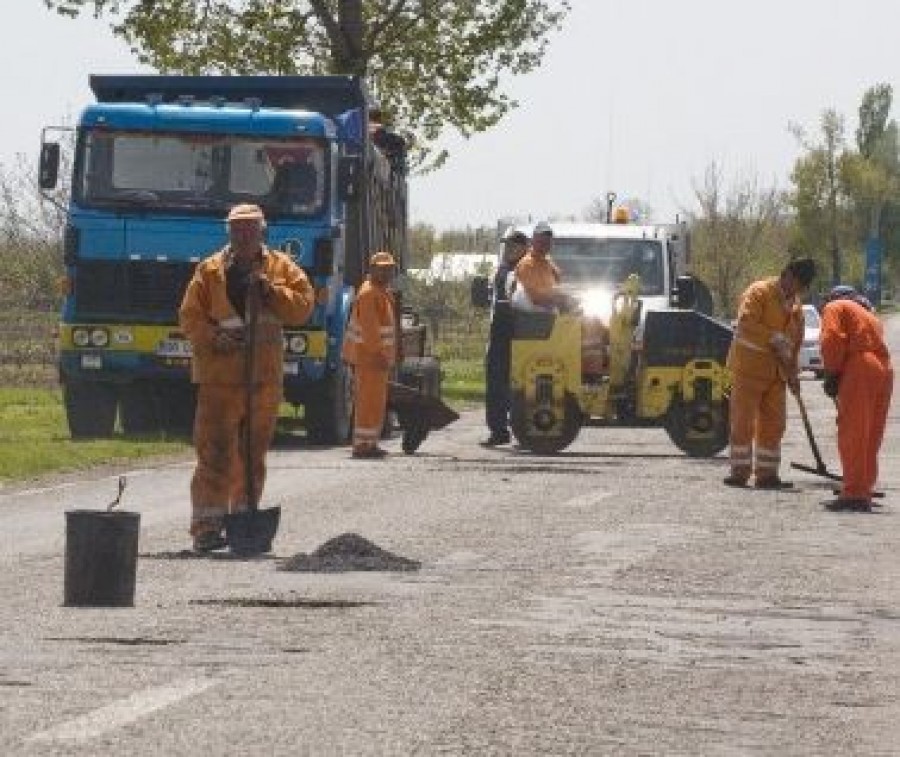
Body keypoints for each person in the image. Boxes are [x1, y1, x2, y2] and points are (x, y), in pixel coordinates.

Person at [179, 204, 315, 552]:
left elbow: (303, 306)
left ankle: (243, 518)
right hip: (219, 381)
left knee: (252, 455)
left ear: (261, 232)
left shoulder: (281, 268)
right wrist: (214, 338)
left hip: (263, 381)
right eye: (236, 229)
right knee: (214, 453)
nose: (243, 235)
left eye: (249, 229)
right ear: (229, 233)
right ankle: (208, 525)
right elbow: (190, 319)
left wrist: (272, 292)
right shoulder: (209, 271)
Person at [724, 257, 817, 489]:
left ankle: (767, 474)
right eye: (797, 284)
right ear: (787, 275)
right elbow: (746, 324)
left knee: (774, 424)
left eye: (802, 288)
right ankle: (739, 472)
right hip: (749, 370)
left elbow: (794, 345)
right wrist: (772, 337)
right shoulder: (759, 292)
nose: (797, 291)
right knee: (743, 422)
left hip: (777, 375)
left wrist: (794, 374)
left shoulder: (796, 308)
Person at [819, 285, 893, 512]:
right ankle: (864, 488)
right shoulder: (869, 315)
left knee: (853, 431)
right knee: (871, 434)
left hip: (860, 366)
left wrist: (831, 372)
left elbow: (831, 339)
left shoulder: (835, 307)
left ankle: (853, 494)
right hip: (884, 369)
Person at [342, 251, 398, 459]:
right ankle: (363, 445)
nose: (386, 273)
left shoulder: (379, 291)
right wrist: (380, 354)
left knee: (374, 402)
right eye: (382, 269)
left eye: (389, 269)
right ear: (372, 270)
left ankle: (369, 442)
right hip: (369, 358)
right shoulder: (369, 294)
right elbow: (370, 329)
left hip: (373, 359)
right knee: (368, 402)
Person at [481, 227, 529, 447]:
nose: (508, 249)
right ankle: (498, 430)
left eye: (512, 245)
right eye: (506, 245)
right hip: (498, 331)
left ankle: (523, 430)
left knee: (520, 383)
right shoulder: (501, 270)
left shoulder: (525, 269)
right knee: (496, 383)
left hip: (518, 331)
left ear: (523, 248)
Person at [511, 221, 571, 312]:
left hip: (549, 313)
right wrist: (556, 300)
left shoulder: (548, 262)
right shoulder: (527, 264)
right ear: (533, 241)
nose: (544, 245)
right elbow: (534, 297)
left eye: (548, 242)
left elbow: (558, 283)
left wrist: (565, 297)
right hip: (534, 317)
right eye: (541, 242)